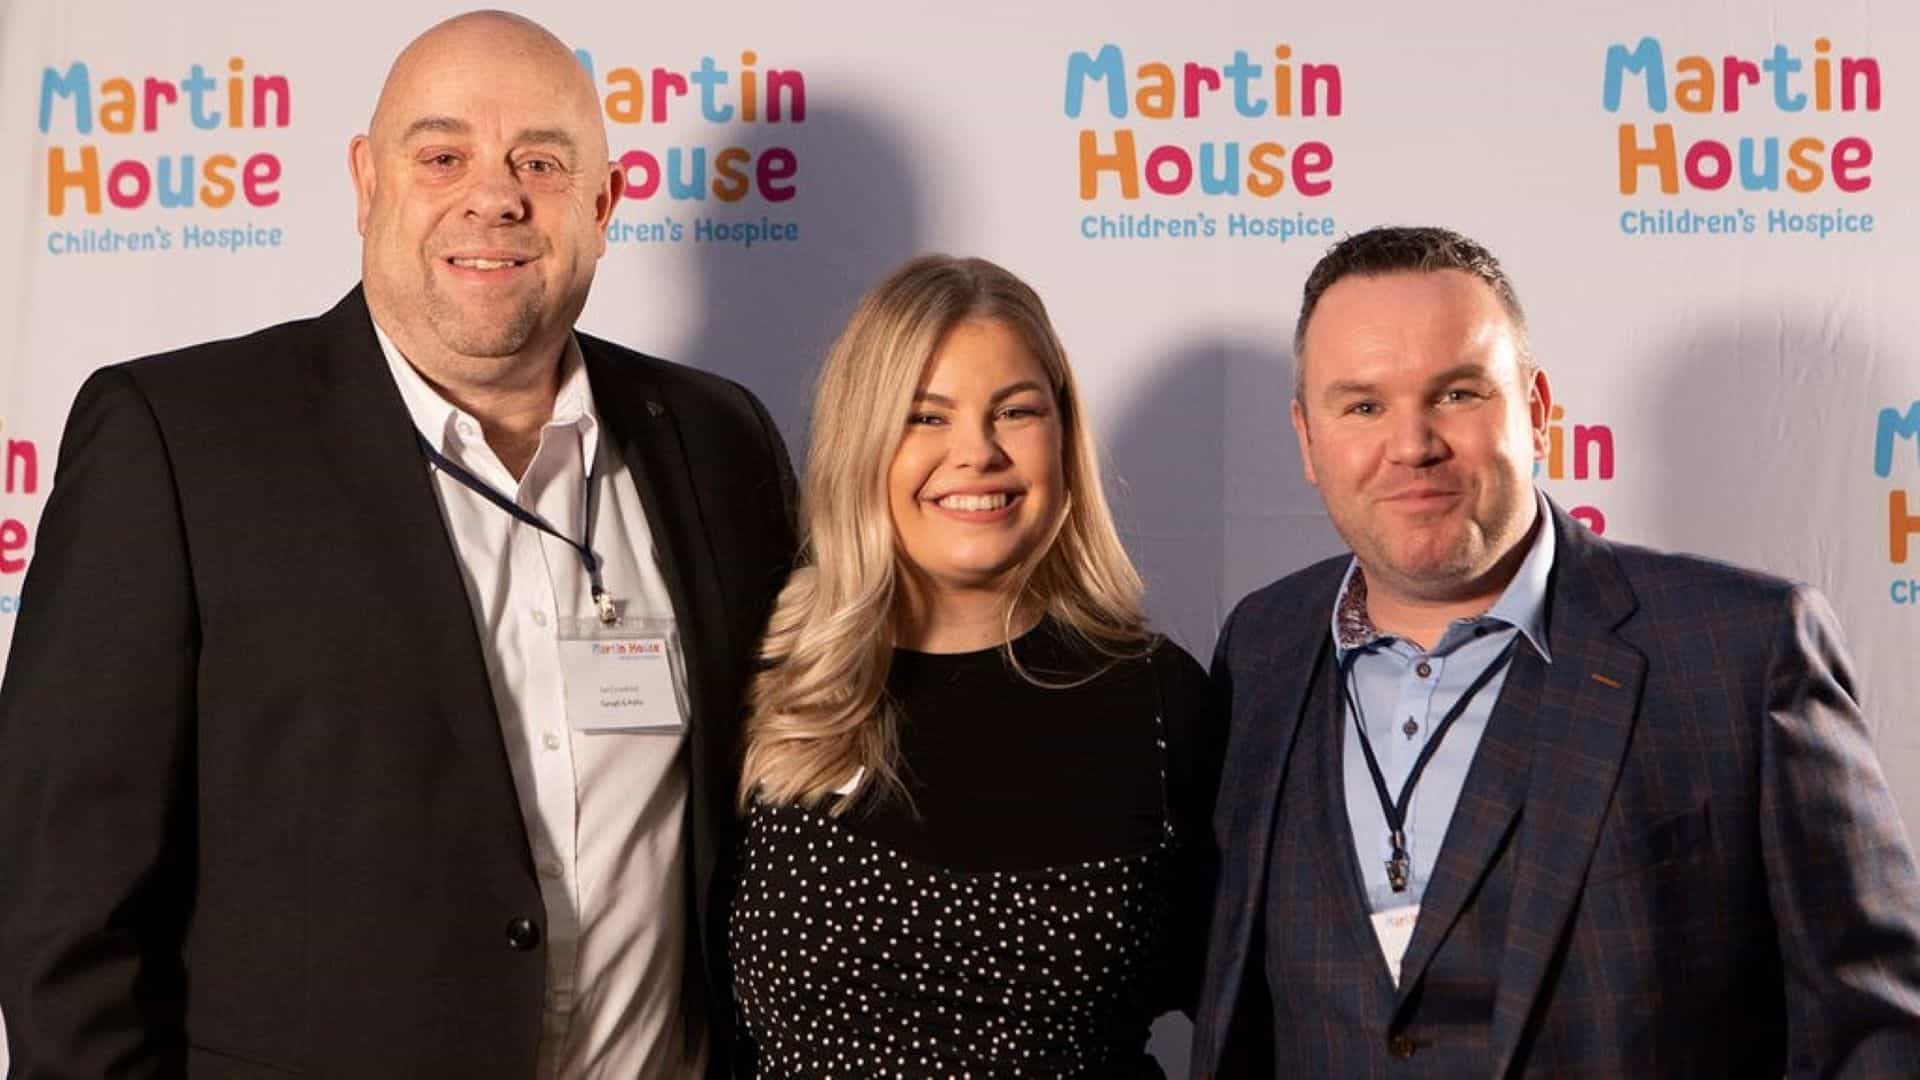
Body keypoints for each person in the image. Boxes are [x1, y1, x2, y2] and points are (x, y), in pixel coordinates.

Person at [0, 12, 794, 1077]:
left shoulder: (716, 439)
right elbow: (65, 901)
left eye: (542, 162)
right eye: (443, 154)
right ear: (367, 183)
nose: (495, 195)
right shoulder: (179, 440)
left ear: (604, 206)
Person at [1193, 225, 1920, 1076]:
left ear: (1536, 411)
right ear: (1307, 440)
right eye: (1363, 406)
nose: (1413, 444)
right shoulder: (1263, 648)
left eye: (1458, 394)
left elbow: (1871, 1033)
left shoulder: (1741, 651)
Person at [727, 254, 1223, 1076]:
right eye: (926, 417)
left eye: (1016, 411)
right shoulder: (761, 678)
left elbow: (1268, 1005)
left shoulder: (1162, 698)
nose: (977, 453)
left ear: (1063, 435)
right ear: (862, 440)